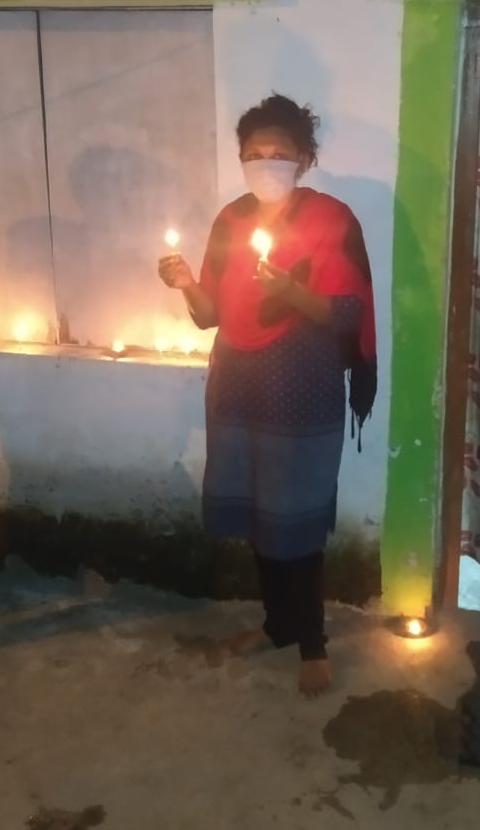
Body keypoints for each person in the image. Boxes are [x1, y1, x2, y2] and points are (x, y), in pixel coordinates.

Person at [157, 94, 376, 697]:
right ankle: (277, 625)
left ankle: (313, 642)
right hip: (238, 384)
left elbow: (347, 311)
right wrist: (186, 284)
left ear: (303, 158)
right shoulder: (230, 221)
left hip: (301, 387)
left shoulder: (331, 219)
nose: (266, 163)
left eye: (280, 153)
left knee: (295, 515)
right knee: (260, 511)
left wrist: (291, 292)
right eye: (254, 154)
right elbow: (209, 315)